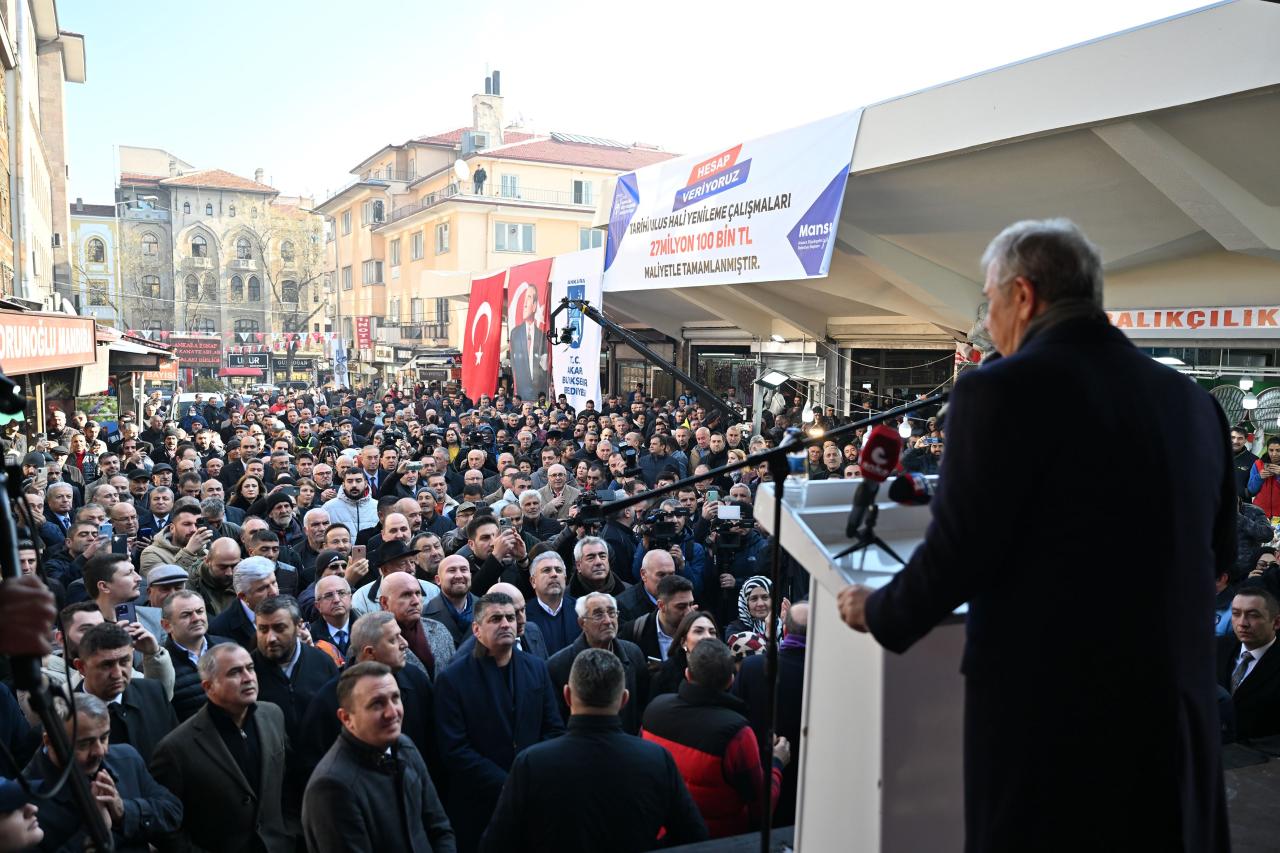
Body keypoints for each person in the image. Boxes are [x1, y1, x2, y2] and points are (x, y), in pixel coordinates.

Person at [837, 219, 1233, 851]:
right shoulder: (1190, 401)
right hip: (1173, 720)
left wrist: (875, 609)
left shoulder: (999, 393)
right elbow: (1220, 555)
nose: (988, 324)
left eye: (989, 304)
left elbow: (958, 554)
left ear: (1023, 295)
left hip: (1053, 724)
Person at [480, 649, 707, 852]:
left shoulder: (532, 763)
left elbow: (497, 843)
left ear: (567, 696)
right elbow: (694, 835)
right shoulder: (656, 760)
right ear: (624, 700)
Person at [434, 591, 565, 852]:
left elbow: (553, 728)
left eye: (510, 618)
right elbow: (455, 750)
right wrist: (508, 782)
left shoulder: (536, 667)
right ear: (477, 629)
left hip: (533, 799)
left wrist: (531, 777)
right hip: (479, 805)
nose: (506, 624)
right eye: (496, 619)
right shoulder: (452, 679)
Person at [150, 643, 294, 853]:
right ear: (209, 687)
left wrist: (289, 832)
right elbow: (165, 825)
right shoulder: (176, 748)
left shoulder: (272, 715)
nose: (248, 678)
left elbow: (290, 783)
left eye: (250, 668)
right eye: (235, 672)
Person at [642, 639, 789, 838]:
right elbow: (762, 808)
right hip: (718, 841)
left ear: (687, 674)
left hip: (661, 834)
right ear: (731, 680)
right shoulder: (737, 734)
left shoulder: (654, 709)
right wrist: (777, 763)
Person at [302, 662, 456, 852]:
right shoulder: (331, 786)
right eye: (377, 704)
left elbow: (439, 829)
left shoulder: (404, 747)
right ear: (346, 718)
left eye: (395, 698)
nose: (392, 712)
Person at [22, 693, 182, 852]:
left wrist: (125, 812)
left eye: (104, 738)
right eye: (84, 744)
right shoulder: (22, 801)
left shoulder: (127, 759)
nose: (100, 751)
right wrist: (92, 832)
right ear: (49, 741)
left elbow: (172, 812)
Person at [735, 601, 807, 826]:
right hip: (812, 784)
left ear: (785, 630)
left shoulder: (752, 668)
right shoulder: (831, 673)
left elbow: (736, 718)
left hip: (762, 777)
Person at [71, 622, 177, 764]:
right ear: (81, 667)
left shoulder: (153, 693)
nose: (117, 674)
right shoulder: (65, 717)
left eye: (124, 661)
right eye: (106, 665)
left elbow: (178, 753)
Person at [545, 591, 649, 734]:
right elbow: (556, 720)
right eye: (598, 615)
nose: (608, 621)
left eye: (612, 613)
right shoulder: (558, 664)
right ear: (582, 623)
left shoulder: (633, 653)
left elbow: (642, 705)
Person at [1218, 587, 1280, 740]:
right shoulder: (1215, 650)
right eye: (1236, 614)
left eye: (1253, 615)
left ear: (1276, 622)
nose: (1242, 623)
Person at [161, 589, 231, 721]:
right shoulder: (159, 666)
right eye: (186, 615)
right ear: (166, 625)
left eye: (200, 611)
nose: (196, 618)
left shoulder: (229, 647)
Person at [623, 574, 697, 664]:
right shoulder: (635, 631)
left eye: (691, 604)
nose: (689, 612)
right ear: (661, 605)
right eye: (681, 607)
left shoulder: (700, 631)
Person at [208, 557, 279, 651]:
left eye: (273, 583)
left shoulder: (289, 607)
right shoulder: (220, 629)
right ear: (243, 596)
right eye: (262, 588)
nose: (273, 592)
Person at [524, 551, 580, 655]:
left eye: (558, 570)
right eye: (546, 570)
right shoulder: (524, 616)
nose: (554, 574)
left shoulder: (581, 610)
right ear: (533, 581)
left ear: (565, 579)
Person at [424, 554, 477, 645]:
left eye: (464, 570)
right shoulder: (424, 614)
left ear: (470, 576)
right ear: (438, 580)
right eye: (451, 570)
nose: (459, 576)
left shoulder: (487, 610)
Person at [1247, 436, 1280, 520]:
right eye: (1271, 450)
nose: (1274, 454)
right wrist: (1259, 477)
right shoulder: (1258, 464)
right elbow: (1251, 490)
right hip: (1259, 513)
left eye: (1278, 450)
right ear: (1267, 449)